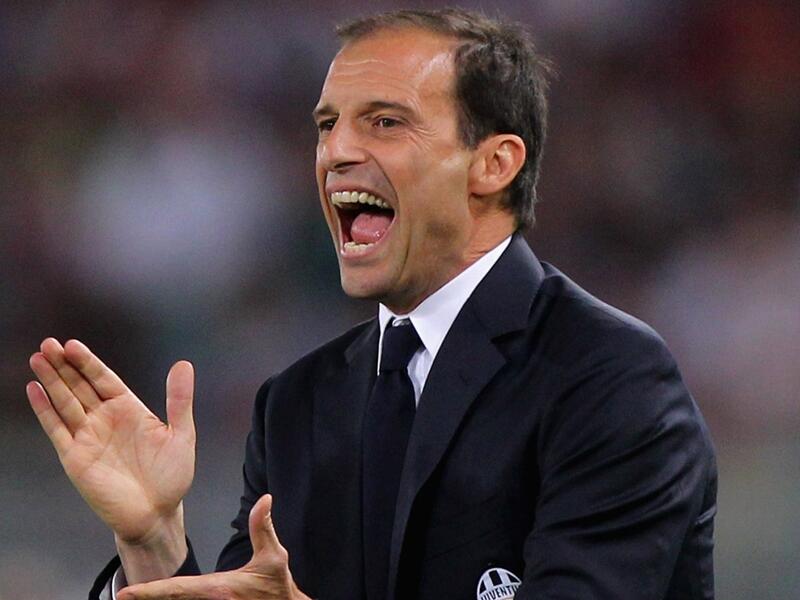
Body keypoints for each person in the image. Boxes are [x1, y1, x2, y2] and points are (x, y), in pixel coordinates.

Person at [26, 8, 717, 600]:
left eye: (385, 122)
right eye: (327, 125)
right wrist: (153, 540)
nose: (336, 152)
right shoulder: (297, 407)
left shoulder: (608, 377)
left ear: (494, 163)